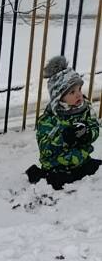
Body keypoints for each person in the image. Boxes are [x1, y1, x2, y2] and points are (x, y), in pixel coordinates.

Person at [27, 56, 100, 191]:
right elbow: (45, 147)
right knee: (57, 182)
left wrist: (87, 133)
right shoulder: (49, 119)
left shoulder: (85, 109)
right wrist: (64, 138)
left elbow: (95, 126)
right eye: (72, 92)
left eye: (79, 89)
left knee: (96, 169)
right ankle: (42, 175)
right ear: (59, 97)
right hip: (58, 166)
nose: (78, 95)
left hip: (82, 160)